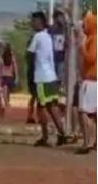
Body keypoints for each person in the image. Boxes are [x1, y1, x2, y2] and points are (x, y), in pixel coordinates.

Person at [28, 12, 69, 147]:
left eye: (34, 21)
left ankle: (45, 136)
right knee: (52, 106)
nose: (32, 23)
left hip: (41, 77)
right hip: (51, 75)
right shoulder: (47, 37)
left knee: (41, 107)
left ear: (40, 22)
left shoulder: (38, 36)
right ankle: (62, 133)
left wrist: (30, 73)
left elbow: (30, 55)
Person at [77, 12, 98, 156]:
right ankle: (93, 141)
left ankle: (88, 142)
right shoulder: (92, 38)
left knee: (84, 112)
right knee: (92, 114)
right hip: (92, 80)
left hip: (90, 80)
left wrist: (81, 48)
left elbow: (91, 58)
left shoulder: (93, 39)